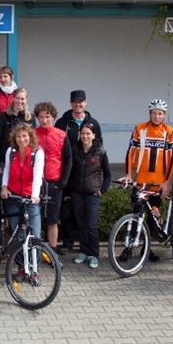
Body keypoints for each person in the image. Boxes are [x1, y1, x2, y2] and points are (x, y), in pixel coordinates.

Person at [119, 99, 173, 262]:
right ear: (149, 113)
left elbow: (172, 159)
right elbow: (131, 151)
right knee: (135, 214)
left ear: (164, 115)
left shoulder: (169, 132)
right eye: (154, 113)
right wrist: (129, 174)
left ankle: (147, 249)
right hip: (142, 181)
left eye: (160, 113)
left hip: (158, 183)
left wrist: (167, 182)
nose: (157, 116)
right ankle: (129, 249)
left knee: (153, 216)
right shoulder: (140, 129)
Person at [54, 89, 103, 253]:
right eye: (75, 101)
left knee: (85, 218)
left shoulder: (93, 123)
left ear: (85, 103)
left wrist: (99, 181)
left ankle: (87, 248)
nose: (78, 104)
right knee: (67, 211)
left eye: (81, 101)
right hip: (68, 171)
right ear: (71, 103)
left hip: (87, 172)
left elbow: (99, 148)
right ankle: (68, 243)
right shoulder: (62, 122)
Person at [68, 123, 111, 269]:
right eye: (83, 133)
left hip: (93, 194)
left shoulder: (100, 151)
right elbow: (70, 170)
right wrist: (69, 191)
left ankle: (94, 254)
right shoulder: (75, 149)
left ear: (94, 135)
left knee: (91, 225)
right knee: (80, 224)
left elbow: (108, 173)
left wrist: (102, 190)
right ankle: (84, 251)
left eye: (88, 134)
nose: (85, 136)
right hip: (77, 194)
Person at [34, 102, 72, 255]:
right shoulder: (32, 134)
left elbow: (68, 159)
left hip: (54, 182)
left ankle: (52, 251)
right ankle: (35, 251)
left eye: (47, 117)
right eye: (41, 117)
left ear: (53, 117)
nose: (44, 120)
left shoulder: (61, 135)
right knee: (35, 219)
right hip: (36, 184)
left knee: (52, 219)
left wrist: (62, 183)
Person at [0, 123, 44, 253]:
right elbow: (7, 171)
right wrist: (4, 187)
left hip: (30, 197)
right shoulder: (11, 152)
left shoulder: (37, 152)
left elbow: (37, 175)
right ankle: (21, 266)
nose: (21, 139)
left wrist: (35, 195)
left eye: (24, 136)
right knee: (18, 233)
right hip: (13, 196)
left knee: (35, 233)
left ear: (30, 136)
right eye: (18, 136)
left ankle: (34, 267)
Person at [0, 88, 36, 182]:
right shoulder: (3, 116)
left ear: (26, 100)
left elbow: (33, 140)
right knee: (4, 189)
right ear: (13, 98)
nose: (19, 101)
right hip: (4, 159)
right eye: (17, 98)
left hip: (24, 160)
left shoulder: (30, 118)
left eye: (22, 99)